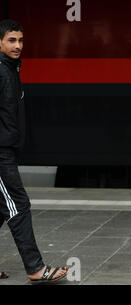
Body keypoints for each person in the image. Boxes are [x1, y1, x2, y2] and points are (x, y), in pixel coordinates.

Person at [0, 19, 68, 283]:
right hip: (0, 153)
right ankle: (35, 268)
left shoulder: (10, 69)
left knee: (3, 207)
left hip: (7, 149)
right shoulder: (2, 71)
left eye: (21, 40)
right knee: (18, 204)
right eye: (12, 40)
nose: (18, 46)